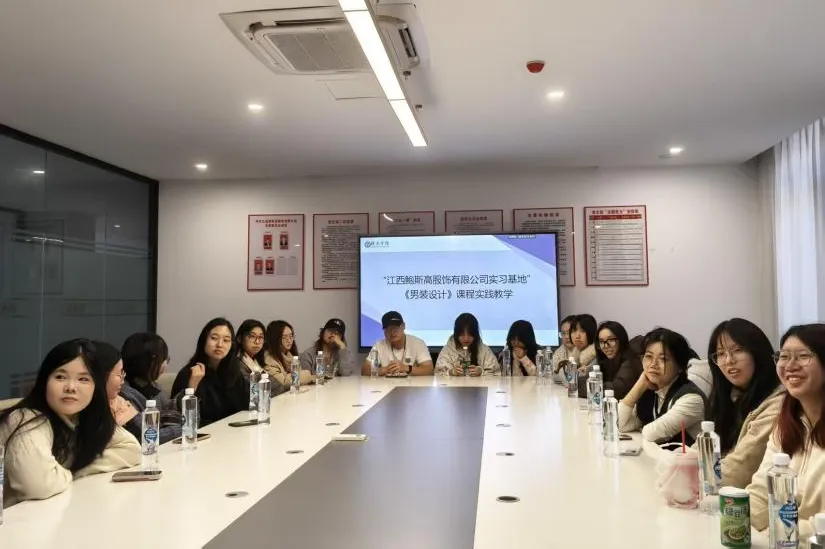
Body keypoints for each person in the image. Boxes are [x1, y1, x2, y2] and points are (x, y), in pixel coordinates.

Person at [0, 339, 140, 507]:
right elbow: (39, 485)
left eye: (83, 379)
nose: (71, 387)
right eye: (60, 377)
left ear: (96, 387)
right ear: (44, 382)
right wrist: (72, 471)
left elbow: (131, 449)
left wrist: (78, 469)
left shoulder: (83, 418)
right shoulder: (26, 419)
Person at [747, 323, 825, 542]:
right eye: (783, 356)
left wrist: (779, 531)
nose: (790, 366)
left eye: (803, 356)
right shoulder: (786, 425)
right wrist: (739, 518)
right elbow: (761, 491)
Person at [705, 318, 783, 488]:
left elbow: (738, 470)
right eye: (721, 354)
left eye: (738, 350)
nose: (729, 360)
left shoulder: (777, 403)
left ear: (757, 352)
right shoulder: (729, 397)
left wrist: (690, 474)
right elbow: (702, 449)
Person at [618, 328, 706, 445]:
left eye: (663, 359)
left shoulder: (692, 399)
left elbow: (651, 434)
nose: (653, 364)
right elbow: (620, 424)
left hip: (689, 457)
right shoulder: (651, 390)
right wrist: (638, 386)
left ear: (680, 366)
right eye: (648, 356)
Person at [171, 318, 249, 426]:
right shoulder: (190, 373)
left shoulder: (234, 371)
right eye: (214, 338)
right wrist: (191, 388)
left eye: (226, 340)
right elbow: (180, 420)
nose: (220, 344)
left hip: (233, 431)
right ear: (204, 340)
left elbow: (248, 405)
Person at [102, 341, 181, 445]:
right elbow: (144, 437)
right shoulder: (124, 393)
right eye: (119, 373)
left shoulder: (152, 386)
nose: (165, 364)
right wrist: (182, 429)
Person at [361, 311, 434, 376]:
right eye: (388, 329)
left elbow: (429, 370)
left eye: (395, 327)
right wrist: (385, 370)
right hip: (386, 385)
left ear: (403, 326)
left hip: (411, 385)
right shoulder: (379, 345)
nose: (392, 332)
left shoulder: (418, 343)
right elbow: (365, 370)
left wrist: (407, 368)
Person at [583, 321, 642, 400]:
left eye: (611, 340)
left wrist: (584, 385)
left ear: (621, 339)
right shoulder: (607, 360)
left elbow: (614, 391)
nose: (605, 346)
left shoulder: (631, 362)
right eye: (601, 341)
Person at [435, 313, 499, 376]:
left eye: (470, 334)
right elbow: (437, 375)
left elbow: (497, 374)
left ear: (475, 334)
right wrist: (451, 372)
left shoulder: (485, 351)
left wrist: (481, 372)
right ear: (456, 334)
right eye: (462, 334)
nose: (466, 338)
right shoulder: (447, 350)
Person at [121, 332, 173, 407]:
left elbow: (168, 408)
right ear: (145, 363)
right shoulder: (126, 395)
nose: (165, 365)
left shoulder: (152, 385)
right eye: (162, 360)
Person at [264, 320, 315, 385]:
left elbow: (300, 380)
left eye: (291, 336)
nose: (289, 340)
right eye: (284, 337)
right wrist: (307, 375)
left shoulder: (290, 356)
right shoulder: (269, 359)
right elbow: (282, 383)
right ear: (274, 339)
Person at [552, 315, 577, 383]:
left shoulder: (585, 352)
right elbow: (553, 375)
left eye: (569, 332)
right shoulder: (559, 351)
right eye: (563, 333)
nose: (566, 337)